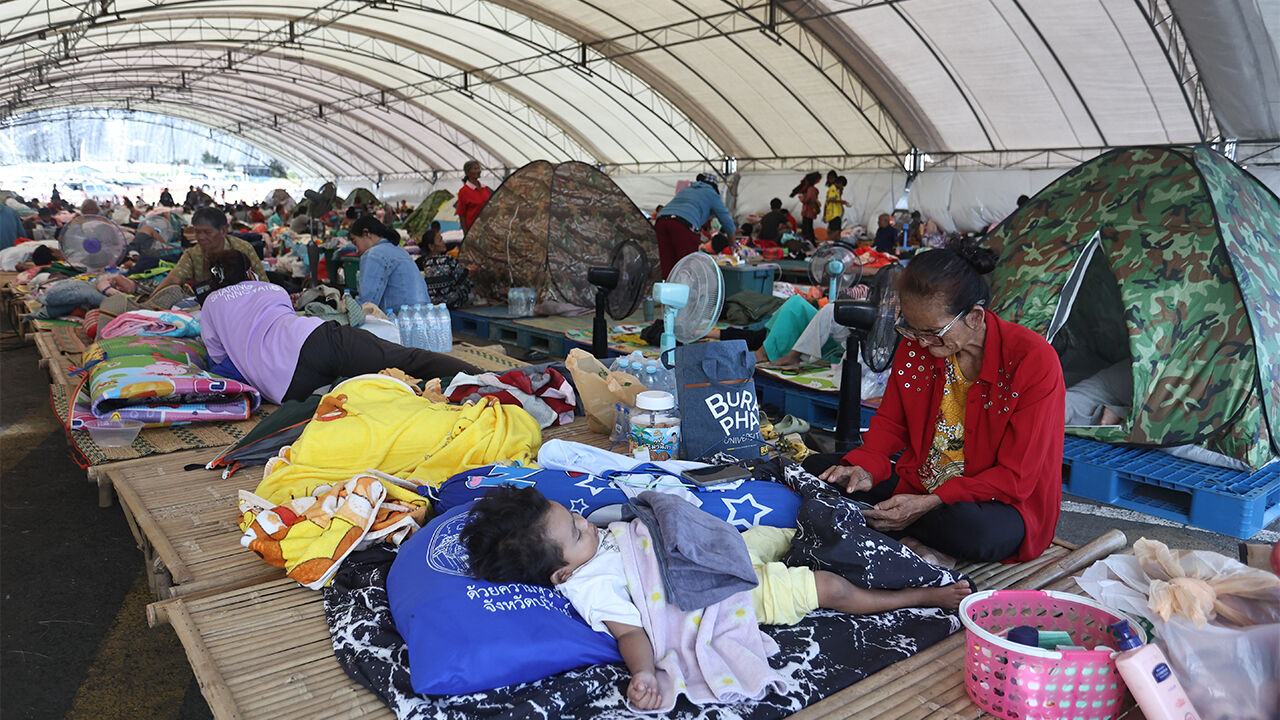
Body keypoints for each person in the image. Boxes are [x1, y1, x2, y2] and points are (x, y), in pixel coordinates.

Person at [462, 486, 971, 710]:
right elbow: (632, 632)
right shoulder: (590, 587)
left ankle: (879, 545)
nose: (583, 521)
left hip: (715, 554)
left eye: (573, 516)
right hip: (724, 595)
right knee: (828, 588)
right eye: (576, 530)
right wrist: (644, 673)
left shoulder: (588, 546)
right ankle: (925, 592)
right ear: (562, 573)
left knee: (783, 531)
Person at [806, 241, 1065, 564]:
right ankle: (906, 530)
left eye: (933, 332)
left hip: (997, 504)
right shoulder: (918, 344)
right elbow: (891, 422)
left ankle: (899, 526)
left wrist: (927, 503)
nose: (921, 343)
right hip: (921, 484)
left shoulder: (1032, 360)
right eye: (911, 330)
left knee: (973, 531)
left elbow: (1016, 477)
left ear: (974, 317)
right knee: (820, 472)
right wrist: (866, 467)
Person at [200, 250, 478, 405]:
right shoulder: (271, 289)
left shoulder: (210, 304)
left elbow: (221, 364)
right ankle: (486, 378)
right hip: (316, 341)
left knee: (360, 388)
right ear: (249, 273)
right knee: (408, 359)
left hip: (287, 390)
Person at [153, 207, 266, 292]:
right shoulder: (192, 255)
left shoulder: (243, 249)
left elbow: (263, 283)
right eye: (197, 232)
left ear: (223, 231)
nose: (201, 237)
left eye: (207, 232)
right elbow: (174, 278)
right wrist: (150, 303)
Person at [654, 173, 735, 276]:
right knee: (686, 267)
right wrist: (733, 244)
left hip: (661, 221)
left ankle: (666, 289)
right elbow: (727, 220)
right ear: (714, 186)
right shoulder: (711, 193)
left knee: (668, 266)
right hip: (682, 225)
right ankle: (685, 290)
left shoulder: (686, 190)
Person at [350, 214, 431, 312]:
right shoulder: (400, 251)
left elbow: (367, 303)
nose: (356, 250)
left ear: (366, 233)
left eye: (355, 242)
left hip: (400, 320)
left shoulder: (373, 254)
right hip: (424, 316)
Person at [456, 160, 492, 234]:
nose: (478, 171)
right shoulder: (464, 191)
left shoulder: (485, 189)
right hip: (473, 231)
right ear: (467, 172)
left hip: (487, 229)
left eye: (479, 168)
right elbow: (461, 215)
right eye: (475, 169)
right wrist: (466, 233)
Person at [790, 172, 821, 243]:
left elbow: (807, 200)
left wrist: (801, 198)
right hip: (810, 211)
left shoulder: (810, 189)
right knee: (809, 228)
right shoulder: (813, 189)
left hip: (808, 212)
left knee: (807, 229)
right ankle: (811, 242)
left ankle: (809, 242)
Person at [824, 176, 850, 242]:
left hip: (836, 214)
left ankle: (836, 243)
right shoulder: (833, 189)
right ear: (840, 183)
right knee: (836, 231)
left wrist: (841, 192)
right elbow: (831, 199)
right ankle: (828, 242)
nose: (842, 187)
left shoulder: (836, 190)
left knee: (837, 231)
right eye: (842, 185)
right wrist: (842, 202)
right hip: (833, 214)